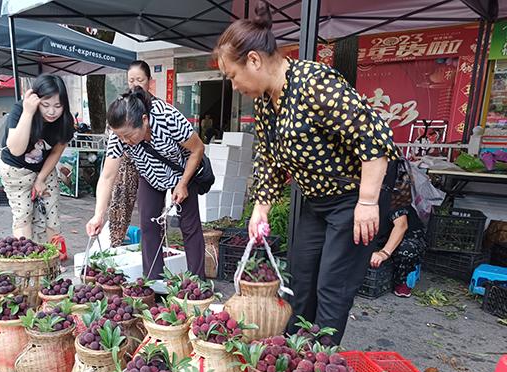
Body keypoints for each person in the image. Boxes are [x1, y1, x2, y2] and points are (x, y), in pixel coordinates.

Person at [214, 1, 398, 344]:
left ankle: (319, 365)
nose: (234, 85)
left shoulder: (315, 83)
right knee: (301, 278)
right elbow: (268, 158)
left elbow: (374, 137)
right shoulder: (265, 100)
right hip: (316, 198)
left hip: (353, 197)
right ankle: (293, 351)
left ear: (253, 61)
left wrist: (368, 201)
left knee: (332, 285)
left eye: (232, 76)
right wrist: (261, 209)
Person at [86, 87, 206, 279]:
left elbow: (198, 148)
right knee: (149, 226)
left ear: (144, 120)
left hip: (183, 171)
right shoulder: (119, 134)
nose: (125, 141)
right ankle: (153, 282)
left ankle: (198, 283)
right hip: (150, 174)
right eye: (120, 137)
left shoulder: (167, 117)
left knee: (190, 226)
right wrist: (98, 215)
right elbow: (108, 176)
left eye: (129, 136)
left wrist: (183, 183)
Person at [0, 74, 74, 242]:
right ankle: (28, 262)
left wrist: (40, 179)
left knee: (51, 211)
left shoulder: (66, 121)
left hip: (44, 168)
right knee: (24, 214)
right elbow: (16, 149)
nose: (52, 111)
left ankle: (52, 259)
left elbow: (55, 152)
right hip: (15, 171)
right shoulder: (20, 110)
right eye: (45, 105)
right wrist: (28, 112)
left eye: (57, 106)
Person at [108, 60, 153, 247]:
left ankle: (154, 245)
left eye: (139, 79)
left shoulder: (157, 110)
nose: (135, 84)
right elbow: (107, 175)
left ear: (149, 81)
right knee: (120, 201)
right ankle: (115, 243)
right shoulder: (122, 105)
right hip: (126, 163)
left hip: (153, 168)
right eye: (131, 80)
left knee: (151, 209)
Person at [370, 204, 426, 298]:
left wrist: (384, 253)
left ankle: (402, 281)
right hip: (382, 236)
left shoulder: (395, 202)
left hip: (408, 238)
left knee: (407, 249)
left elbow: (401, 226)